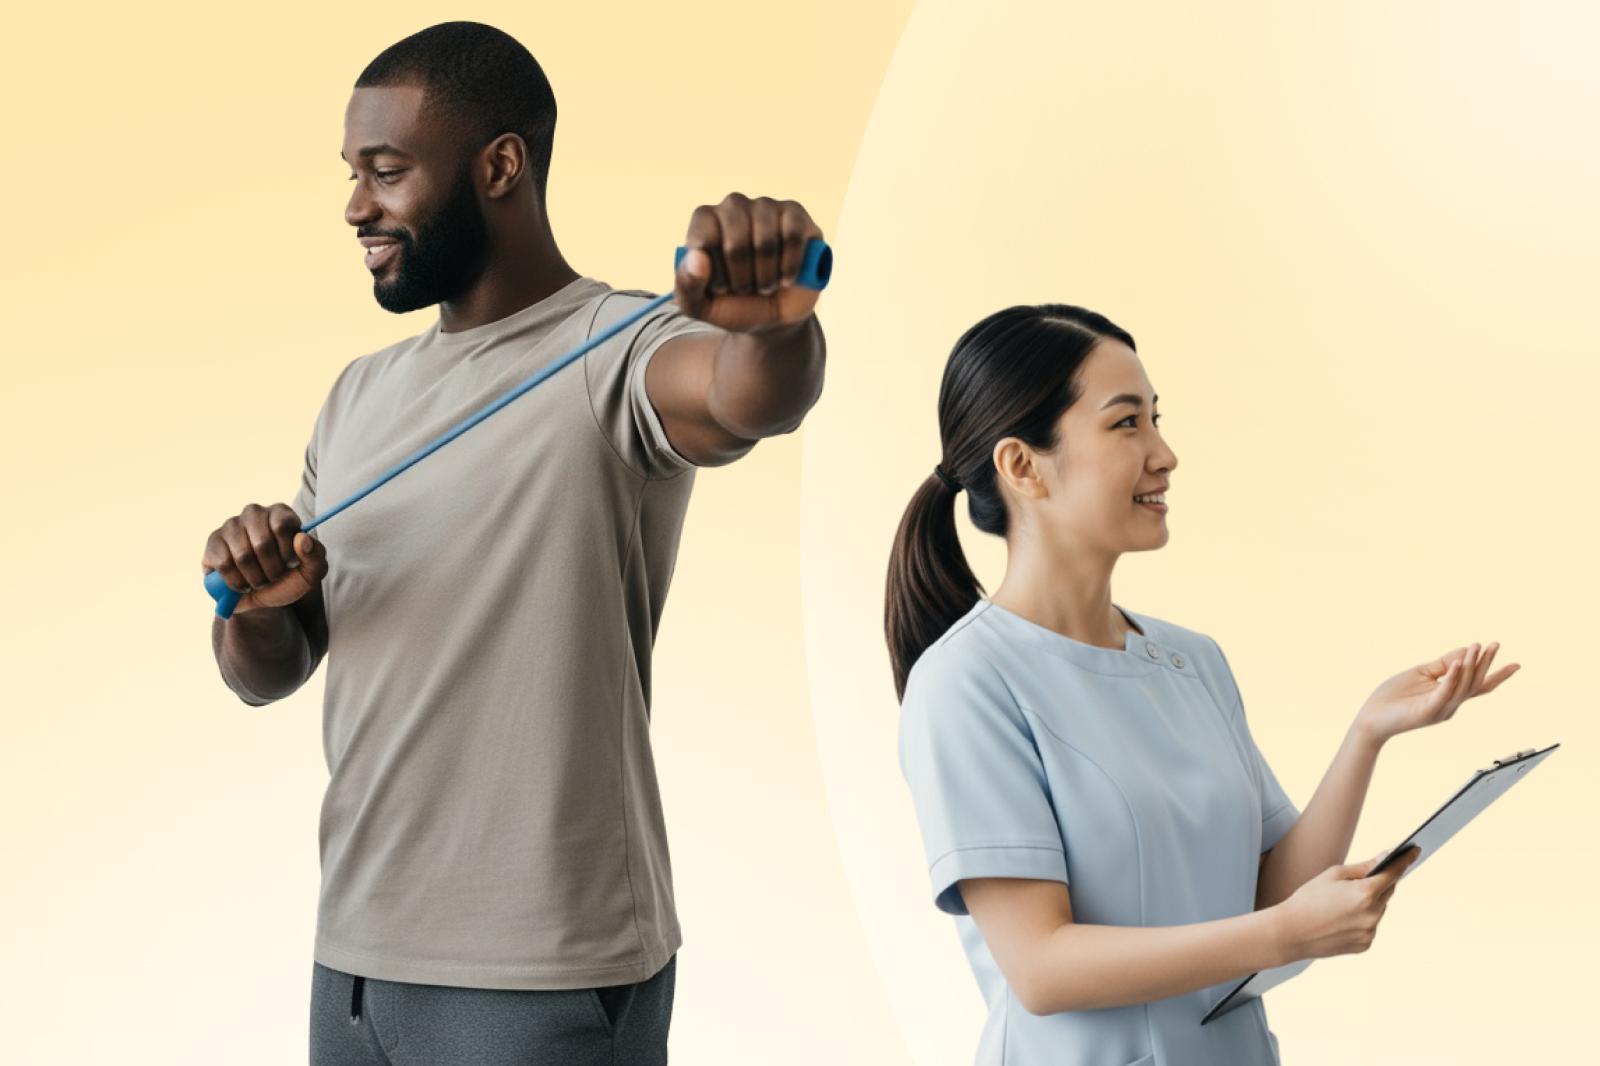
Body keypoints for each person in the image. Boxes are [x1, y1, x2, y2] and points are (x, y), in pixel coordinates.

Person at [200, 21, 826, 1066]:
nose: (357, 206)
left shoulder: (615, 347)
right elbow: (271, 670)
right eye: (354, 174)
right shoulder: (358, 394)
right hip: (352, 965)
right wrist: (256, 611)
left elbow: (739, 399)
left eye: (387, 171)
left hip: (537, 979)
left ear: (500, 166)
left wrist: (771, 328)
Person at [884, 303, 1519, 1066]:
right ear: (1023, 466)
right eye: (1126, 424)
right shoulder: (966, 682)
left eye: (1156, 419)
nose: (1165, 453)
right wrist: (1285, 935)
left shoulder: (1191, 661)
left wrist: (1368, 735)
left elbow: (1270, 893)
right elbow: (1042, 968)